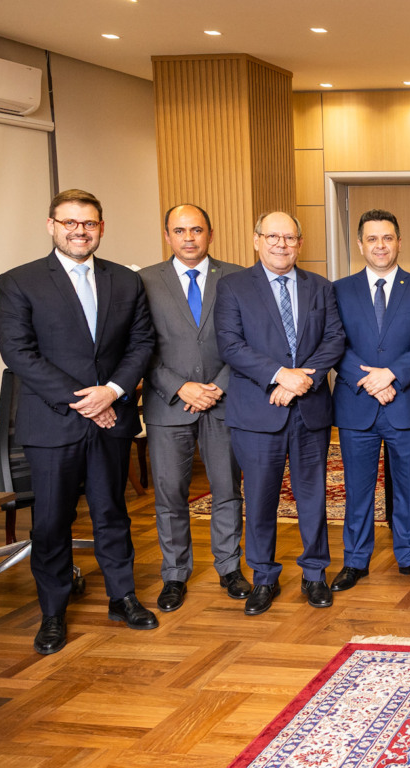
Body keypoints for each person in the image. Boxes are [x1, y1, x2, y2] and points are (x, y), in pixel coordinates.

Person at [0, 189, 158, 654]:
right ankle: (52, 613)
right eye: (69, 223)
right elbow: (19, 354)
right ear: (51, 226)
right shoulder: (19, 281)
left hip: (112, 417)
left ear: (101, 228)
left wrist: (113, 391)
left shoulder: (125, 282)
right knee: (50, 521)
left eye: (88, 223)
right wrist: (84, 399)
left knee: (112, 513)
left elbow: (142, 343)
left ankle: (122, 596)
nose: (79, 231)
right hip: (53, 424)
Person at [214, 211, 346, 615]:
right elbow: (230, 345)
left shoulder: (320, 287)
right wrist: (279, 377)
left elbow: (334, 338)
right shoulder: (233, 287)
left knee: (312, 497)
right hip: (257, 411)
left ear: (299, 244)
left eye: (289, 238)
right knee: (259, 499)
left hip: (310, 410)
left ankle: (314, 574)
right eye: (272, 236)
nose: (281, 244)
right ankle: (264, 578)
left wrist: (302, 381)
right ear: (256, 240)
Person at [139, 204, 250, 612]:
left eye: (197, 230)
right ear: (167, 235)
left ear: (211, 234)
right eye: (180, 230)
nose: (189, 237)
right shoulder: (144, 281)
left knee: (226, 490)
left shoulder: (238, 277)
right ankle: (174, 575)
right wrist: (180, 386)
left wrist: (216, 387)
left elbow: (248, 341)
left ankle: (229, 568)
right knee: (170, 494)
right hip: (168, 404)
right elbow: (139, 347)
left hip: (224, 402)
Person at [331, 209, 410, 590]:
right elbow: (333, 345)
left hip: (405, 403)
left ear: (398, 241)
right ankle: (356, 560)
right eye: (372, 239)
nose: (380, 246)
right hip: (355, 404)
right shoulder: (339, 290)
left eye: (388, 238)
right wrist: (370, 381)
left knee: (408, 486)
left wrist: (391, 375)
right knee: (357, 488)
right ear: (360, 244)